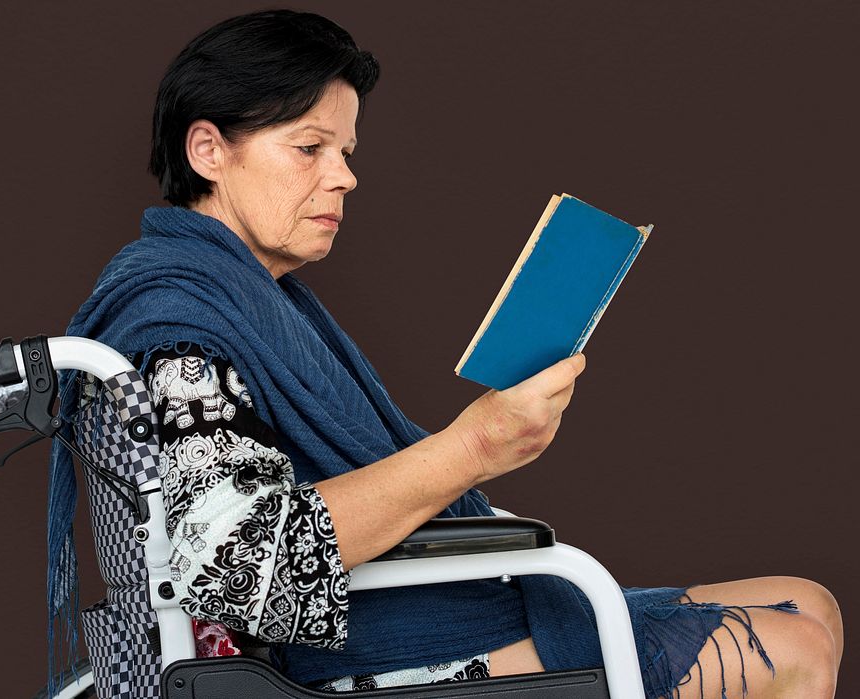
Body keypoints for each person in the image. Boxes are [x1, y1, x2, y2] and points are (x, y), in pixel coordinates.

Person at [49, 9, 843, 698]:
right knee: (796, 647)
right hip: (354, 657)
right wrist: (476, 447)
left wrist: (480, 457)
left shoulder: (254, 298)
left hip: (415, 605)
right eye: (311, 147)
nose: (345, 176)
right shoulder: (178, 326)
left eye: (347, 150)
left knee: (810, 601)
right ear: (209, 150)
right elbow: (240, 567)